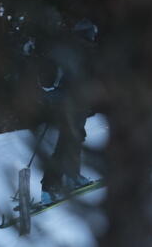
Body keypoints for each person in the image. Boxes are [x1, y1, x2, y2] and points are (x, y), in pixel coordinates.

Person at [39, 19, 97, 205]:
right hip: (72, 100)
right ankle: (49, 188)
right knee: (67, 141)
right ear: (89, 32)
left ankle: (72, 177)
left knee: (73, 137)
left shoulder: (68, 47)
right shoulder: (85, 49)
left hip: (58, 99)